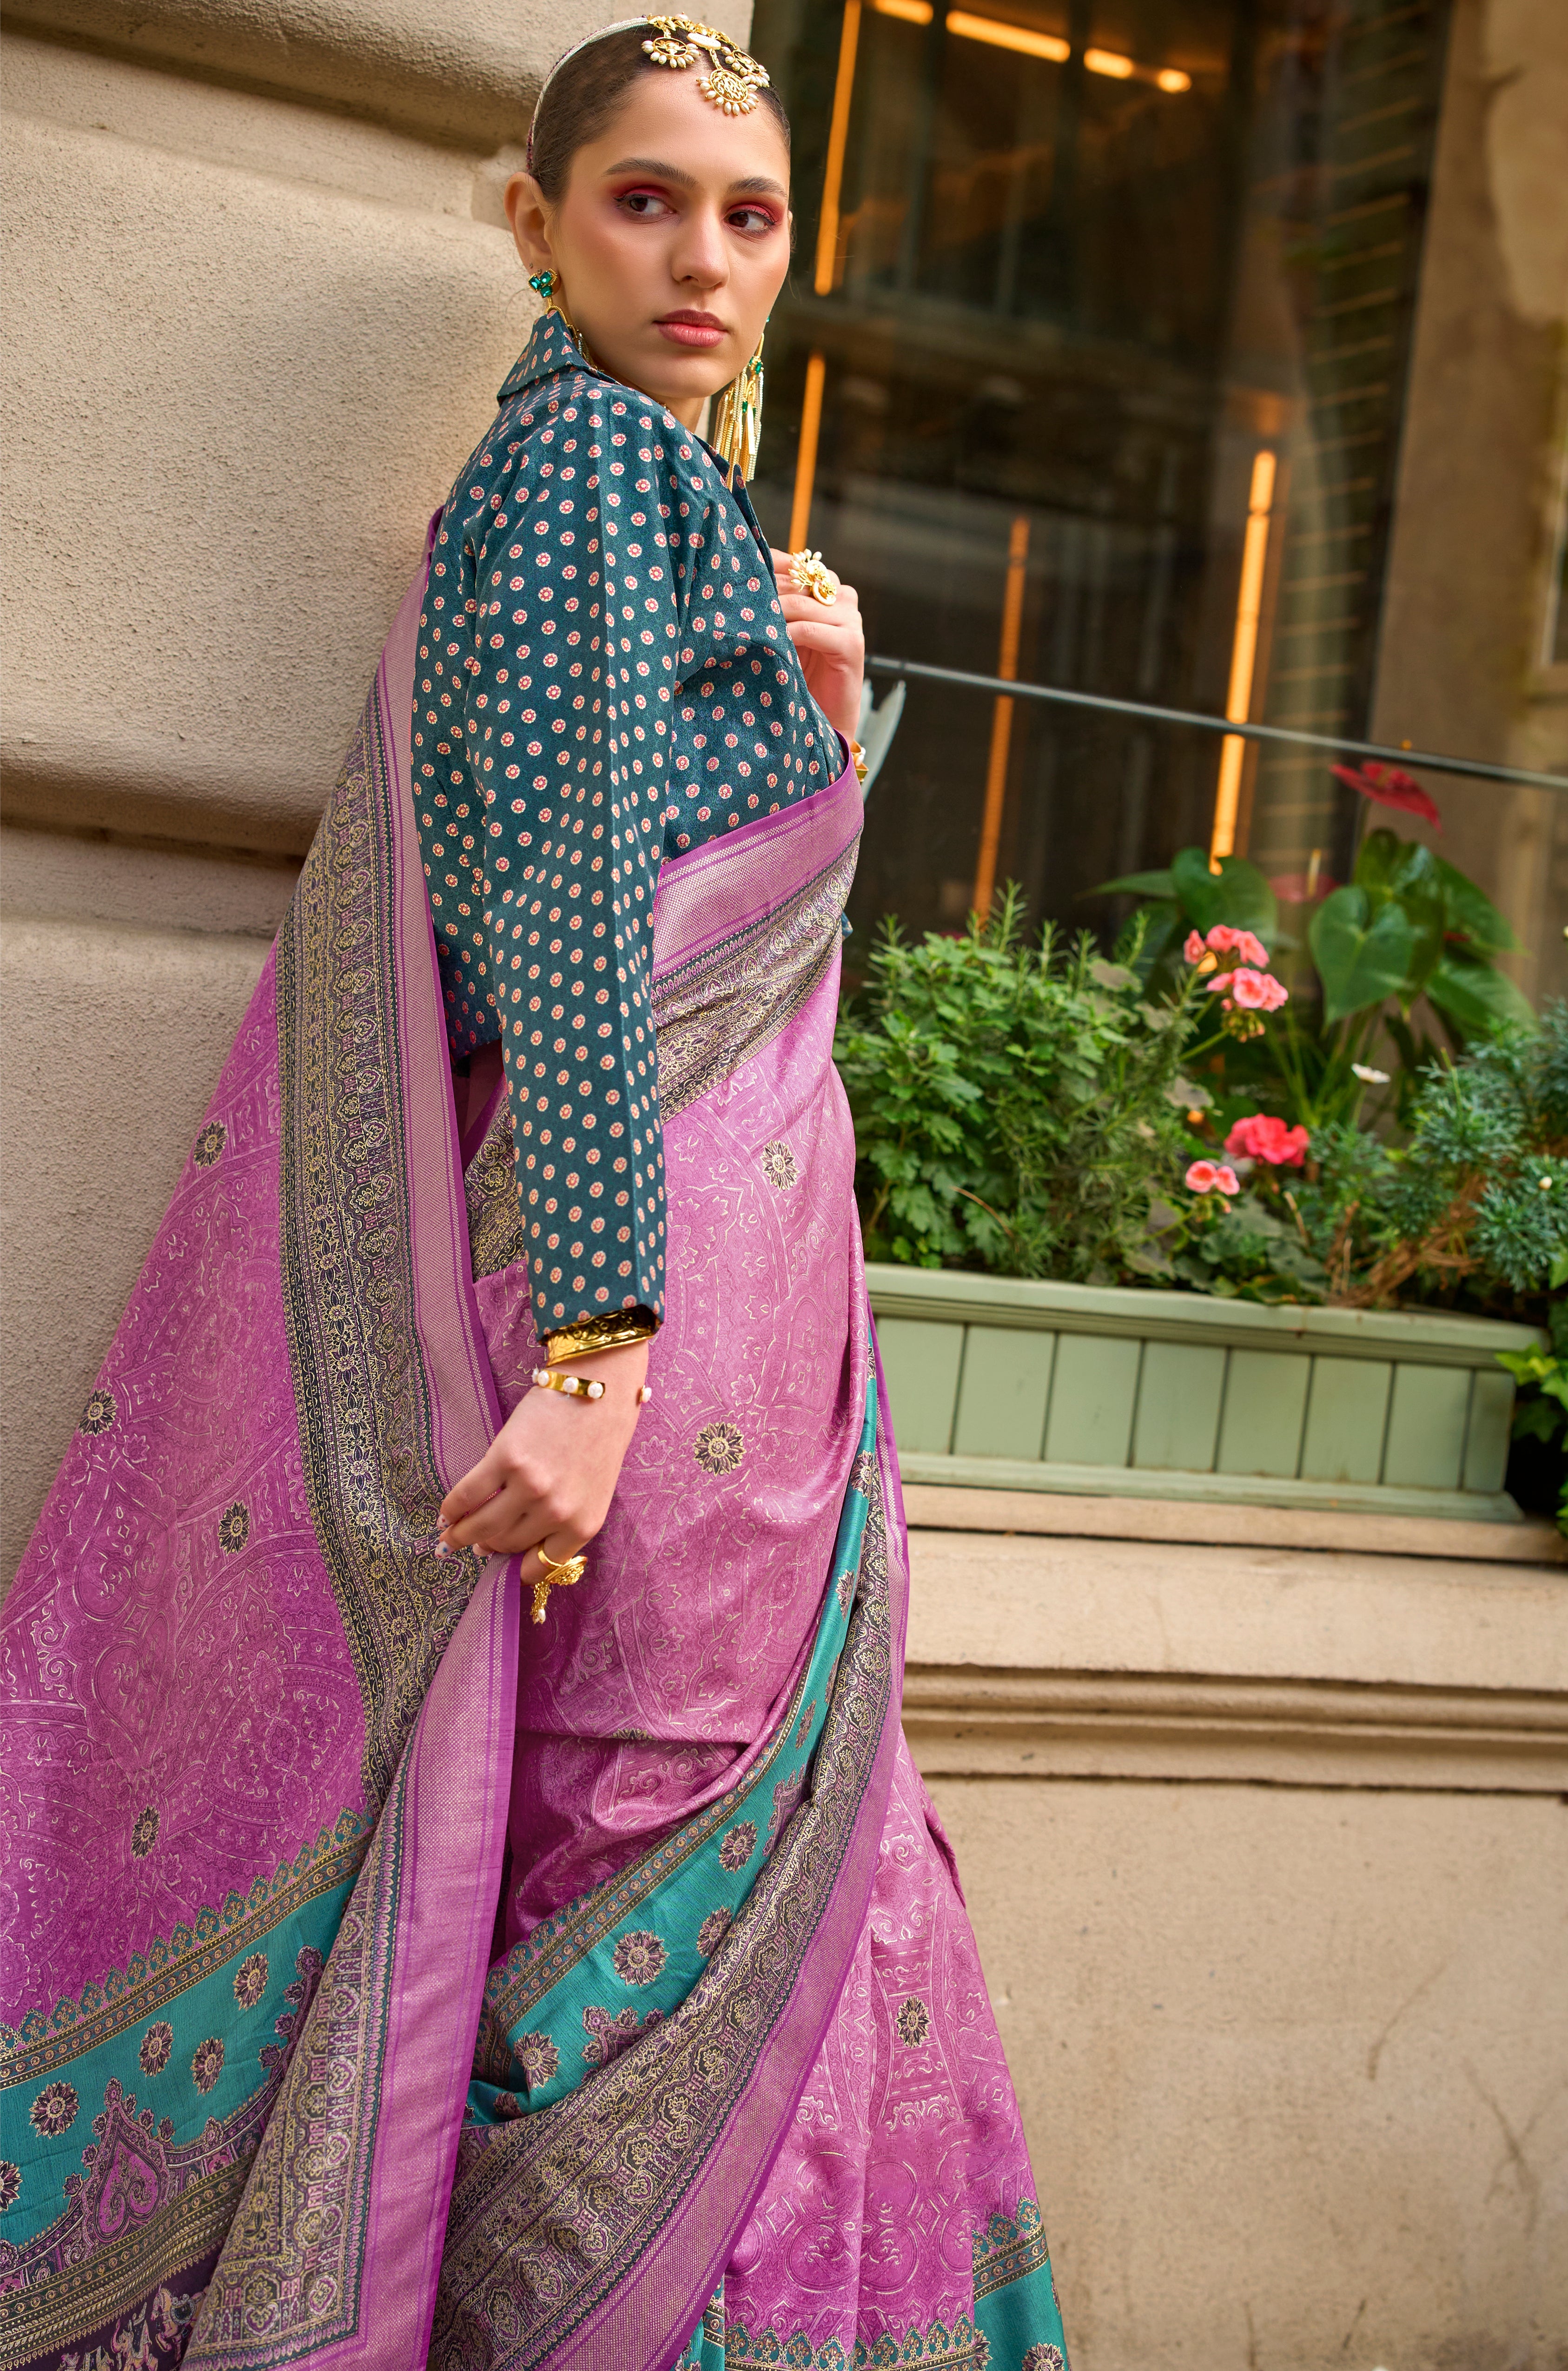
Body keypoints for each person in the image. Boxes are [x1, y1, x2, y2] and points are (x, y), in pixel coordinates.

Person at [0, 19, 1069, 2368]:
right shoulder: (588, 466)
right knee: (646, 1865)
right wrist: (594, 1354)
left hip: (723, 1287)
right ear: (534, 221)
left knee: (647, 1873)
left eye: (748, 215)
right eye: (642, 200)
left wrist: (814, 707)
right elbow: (570, 930)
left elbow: (693, 908)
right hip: (659, 1301)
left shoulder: (641, 495)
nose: (700, 259)